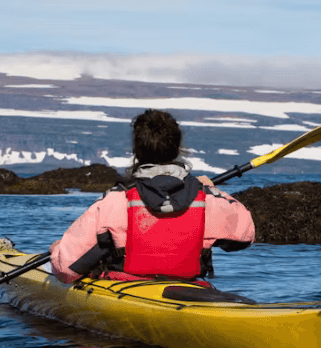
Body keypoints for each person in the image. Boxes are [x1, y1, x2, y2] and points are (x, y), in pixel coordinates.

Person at [49, 109, 255, 284]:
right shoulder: (207, 199)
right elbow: (246, 235)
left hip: (127, 288)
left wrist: (57, 250)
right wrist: (212, 190)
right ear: (177, 149)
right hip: (187, 287)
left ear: (137, 151)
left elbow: (66, 270)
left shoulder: (115, 202)